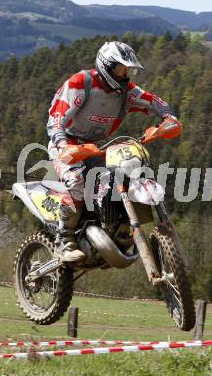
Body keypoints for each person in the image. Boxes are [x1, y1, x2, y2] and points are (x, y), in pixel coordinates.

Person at [47, 41, 179, 262]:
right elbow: (57, 117)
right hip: (67, 144)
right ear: (106, 65)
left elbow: (154, 100)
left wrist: (169, 118)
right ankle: (65, 240)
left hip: (96, 148)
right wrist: (62, 142)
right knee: (77, 183)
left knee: (125, 175)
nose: (124, 74)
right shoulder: (81, 83)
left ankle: (113, 226)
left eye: (127, 69)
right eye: (120, 68)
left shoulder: (126, 92)